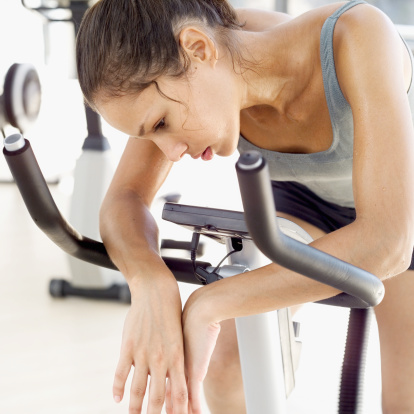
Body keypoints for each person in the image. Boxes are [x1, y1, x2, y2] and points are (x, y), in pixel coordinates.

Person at [75, 0, 414, 413]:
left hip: (402, 208)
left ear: (198, 49)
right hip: (305, 199)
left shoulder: (360, 34)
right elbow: (123, 199)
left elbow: (388, 242)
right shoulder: (199, 54)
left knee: (405, 398)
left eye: (162, 124)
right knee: (226, 364)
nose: (170, 152)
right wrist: (150, 283)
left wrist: (209, 303)